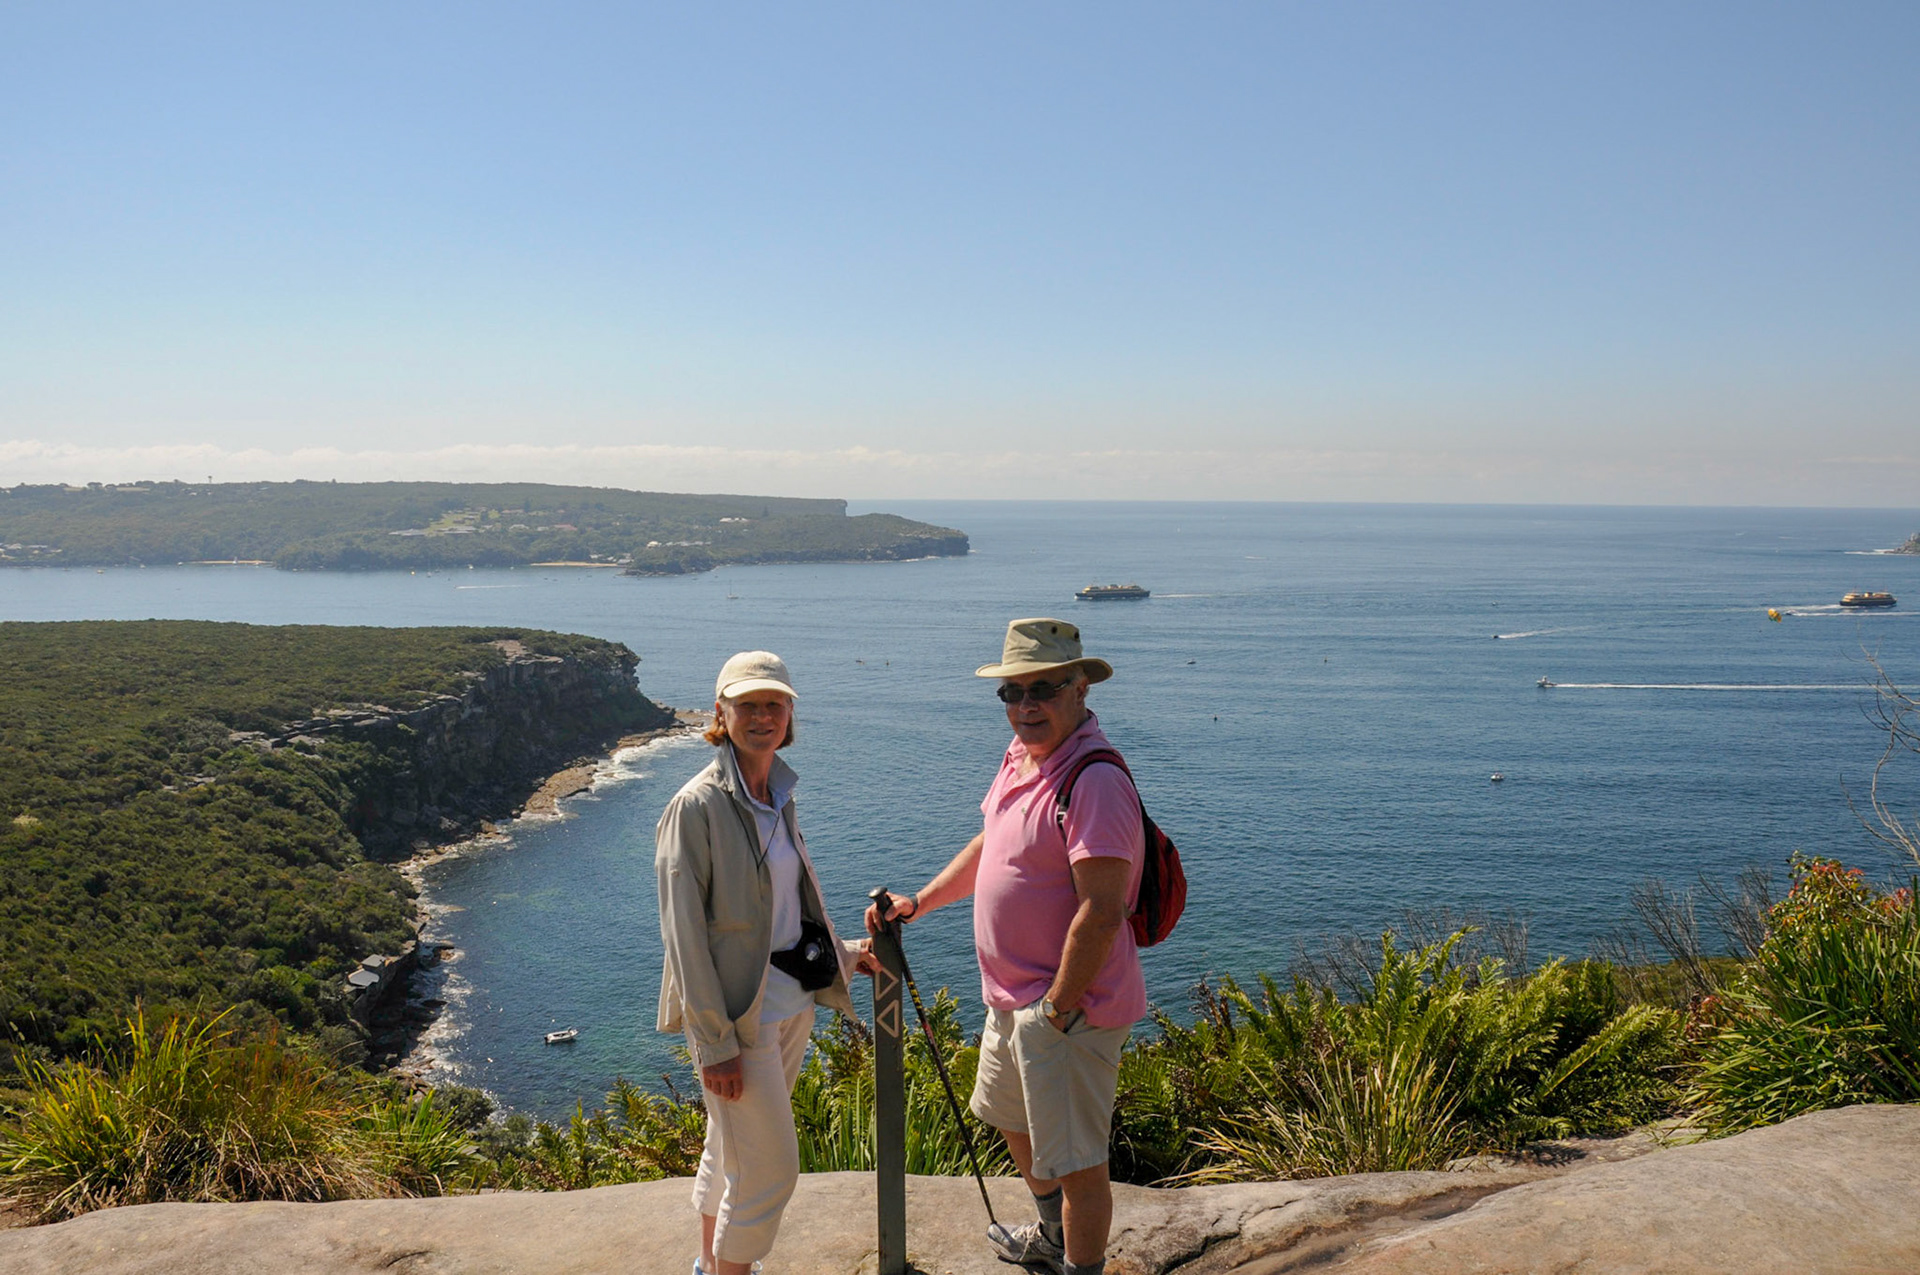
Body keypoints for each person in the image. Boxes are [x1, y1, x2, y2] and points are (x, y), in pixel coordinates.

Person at [867, 618, 1144, 1275]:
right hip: (1015, 1000)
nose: (1026, 706)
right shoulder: (1022, 759)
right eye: (1013, 694)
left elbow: (1102, 911)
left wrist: (1054, 1010)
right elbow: (992, 845)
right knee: (1007, 1118)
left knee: (1077, 1161)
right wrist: (920, 902)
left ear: (1080, 689)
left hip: (1067, 1009)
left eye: (1043, 689)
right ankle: (1050, 1238)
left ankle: (1080, 1266)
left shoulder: (1094, 779)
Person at [657, 650, 871, 1275]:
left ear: (790, 713)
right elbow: (684, 938)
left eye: (774, 703)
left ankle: (707, 1266)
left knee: (730, 1149)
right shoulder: (695, 806)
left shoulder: (777, 793)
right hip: (739, 1020)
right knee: (772, 1169)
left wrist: (846, 956)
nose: (762, 715)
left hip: (789, 1003)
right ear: (719, 713)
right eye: (747, 704)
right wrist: (713, 1042)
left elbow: (785, 906)